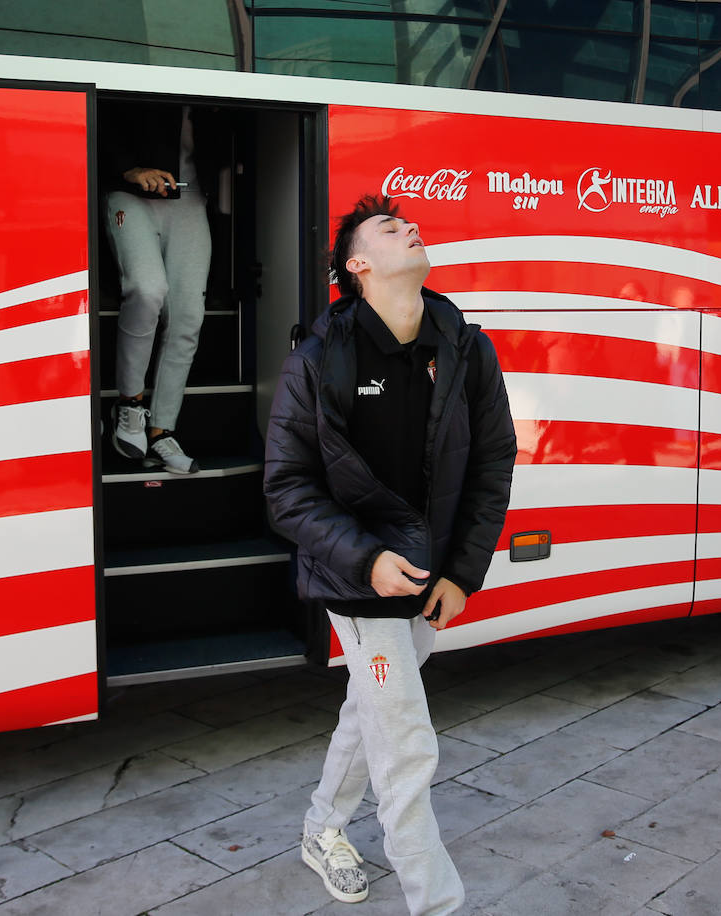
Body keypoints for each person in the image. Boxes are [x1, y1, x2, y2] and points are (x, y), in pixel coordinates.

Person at [263, 195, 516, 914]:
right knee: (405, 739)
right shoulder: (319, 359)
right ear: (358, 265)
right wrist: (367, 560)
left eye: (409, 222)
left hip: (431, 574)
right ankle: (435, 901)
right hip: (356, 578)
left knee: (369, 710)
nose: (409, 227)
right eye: (387, 226)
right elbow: (287, 489)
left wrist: (464, 571)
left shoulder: (464, 345)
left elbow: (493, 458)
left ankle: (322, 830)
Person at [100, 102, 227, 474]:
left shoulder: (213, 96)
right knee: (146, 288)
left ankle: (161, 430)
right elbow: (100, 112)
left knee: (189, 315)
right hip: (131, 192)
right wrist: (129, 168)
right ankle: (130, 404)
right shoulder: (157, 65)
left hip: (191, 197)